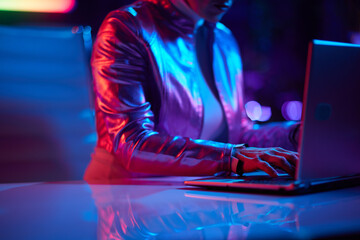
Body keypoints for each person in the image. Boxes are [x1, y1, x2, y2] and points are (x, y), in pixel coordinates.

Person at [84, 0, 300, 181]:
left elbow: (239, 136)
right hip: (126, 202)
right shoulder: (127, 27)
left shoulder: (224, 39)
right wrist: (229, 157)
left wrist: (295, 135)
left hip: (193, 200)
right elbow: (131, 142)